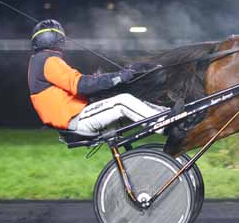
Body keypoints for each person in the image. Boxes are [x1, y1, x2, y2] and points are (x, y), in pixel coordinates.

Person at [27, 19, 168, 136]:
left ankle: (166, 115)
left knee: (123, 96)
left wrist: (114, 77)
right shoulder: (49, 60)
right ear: (60, 40)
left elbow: (81, 84)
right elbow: (81, 85)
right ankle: (162, 125)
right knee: (122, 101)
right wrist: (120, 76)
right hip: (75, 120)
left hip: (73, 118)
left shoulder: (39, 61)